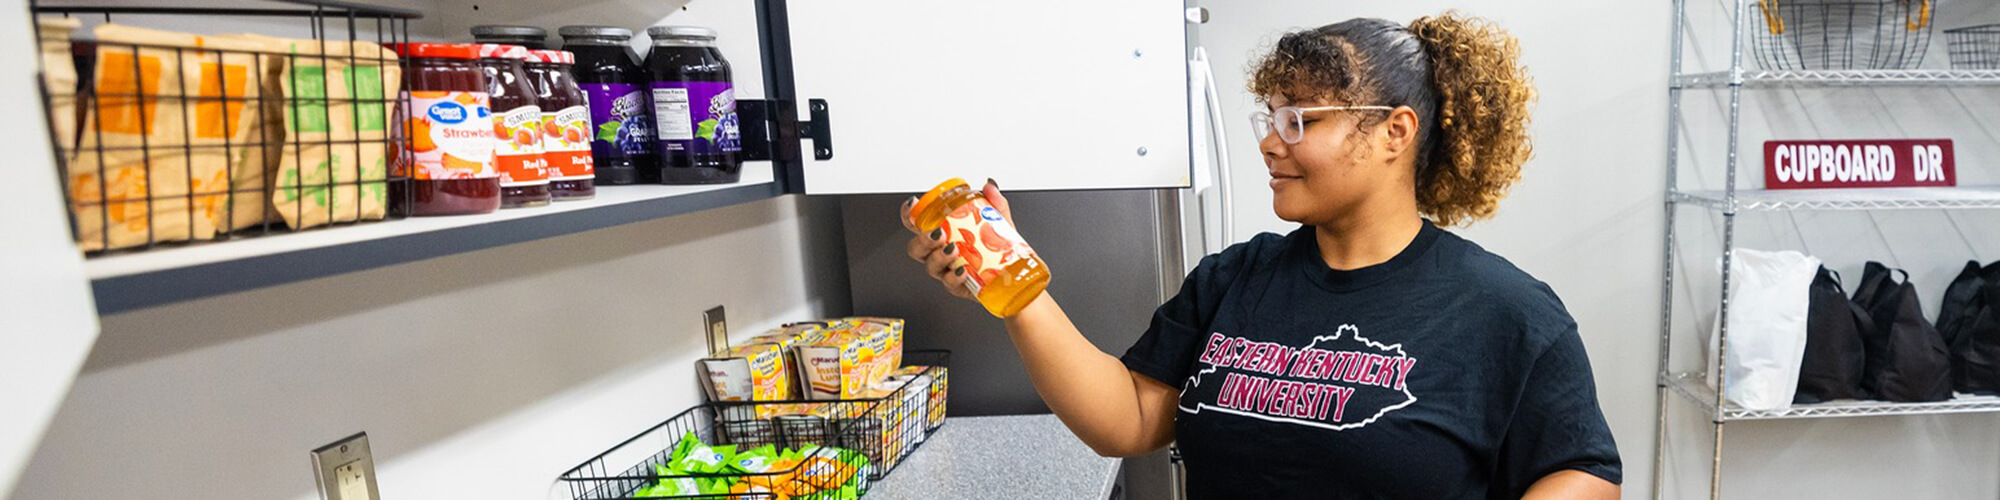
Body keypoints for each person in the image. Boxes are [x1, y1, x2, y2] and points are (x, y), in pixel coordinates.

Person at [903, 12, 1620, 500]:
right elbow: (1126, 420)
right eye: (1269, 117)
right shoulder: (1234, 278)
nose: (1270, 142)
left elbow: (1582, 469)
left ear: (1394, 133)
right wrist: (1015, 289)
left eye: (1299, 119)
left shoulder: (1505, 311)